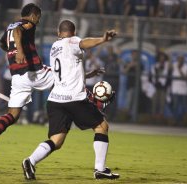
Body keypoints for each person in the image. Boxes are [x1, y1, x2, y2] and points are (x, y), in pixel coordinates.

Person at [21, 20, 119, 180]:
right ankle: (100, 169)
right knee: (102, 126)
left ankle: (30, 161)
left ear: (59, 33)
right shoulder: (72, 41)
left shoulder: (54, 47)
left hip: (55, 100)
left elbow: (66, 71)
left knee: (56, 140)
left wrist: (86, 75)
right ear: (73, 32)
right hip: (74, 98)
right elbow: (84, 43)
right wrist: (103, 39)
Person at [0, 3, 54, 157]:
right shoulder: (26, 24)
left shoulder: (8, 28)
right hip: (33, 70)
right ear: (33, 15)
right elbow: (18, 31)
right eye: (38, 17)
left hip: (18, 76)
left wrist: (12, 52)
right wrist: (20, 51)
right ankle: (95, 100)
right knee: (64, 77)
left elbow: (2, 43)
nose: (38, 21)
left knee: (12, 114)